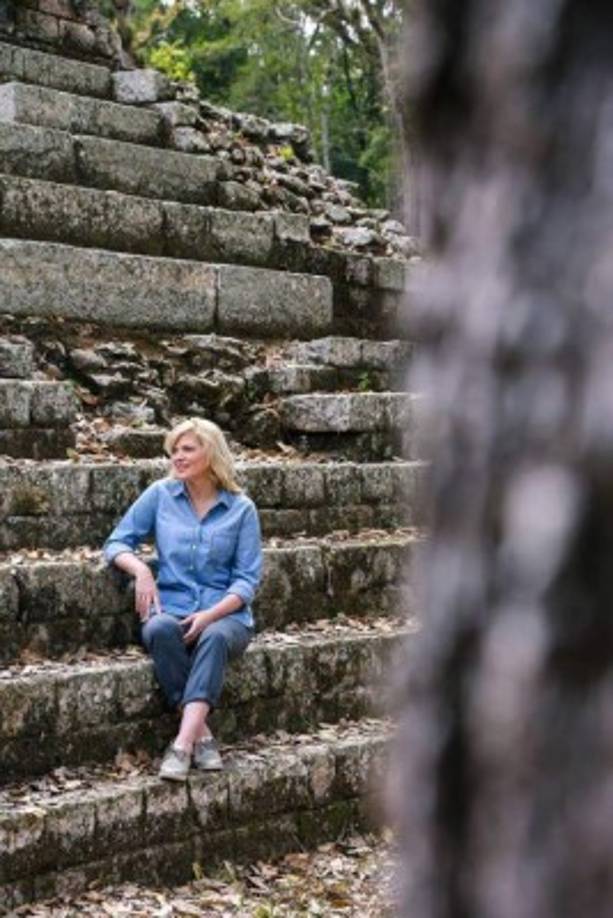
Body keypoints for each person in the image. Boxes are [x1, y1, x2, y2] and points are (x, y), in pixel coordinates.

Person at [103, 417, 262, 781]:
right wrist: (142, 570)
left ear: (212, 454)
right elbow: (116, 542)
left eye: (188, 449)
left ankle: (182, 745)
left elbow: (246, 581)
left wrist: (209, 615)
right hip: (170, 607)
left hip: (227, 616)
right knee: (159, 629)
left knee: (214, 637)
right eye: (174, 450)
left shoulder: (241, 509)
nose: (177, 456)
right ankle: (202, 735)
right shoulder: (161, 494)